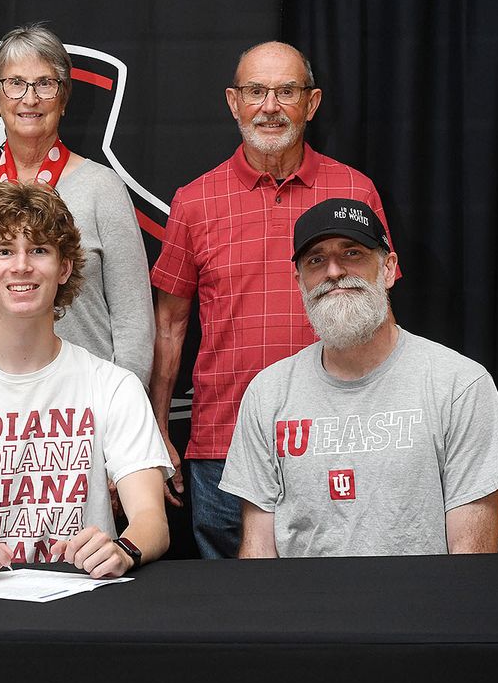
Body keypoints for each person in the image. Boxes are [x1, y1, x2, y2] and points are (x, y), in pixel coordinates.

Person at [150, 41, 397, 558]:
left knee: (343, 596)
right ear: (233, 102)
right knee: (233, 615)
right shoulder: (194, 201)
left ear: (312, 103)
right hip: (225, 442)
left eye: (287, 91)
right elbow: (170, 324)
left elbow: (382, 312)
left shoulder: (355, 190)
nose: (270, 106)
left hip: (340, 435)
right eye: (256, 91)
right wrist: (157, 429)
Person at [0, 181, 171, 581]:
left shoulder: (114, 386)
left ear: (65, 267)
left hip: (83, 596)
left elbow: (150, 520)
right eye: (4, 251)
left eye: (39, 250)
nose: (21, 266)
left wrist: (122, 551)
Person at [222, 198, 498, 556]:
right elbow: (257, 548)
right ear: (300, 281)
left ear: (388, 269)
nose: (333, 271)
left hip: (422, 607)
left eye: (352, 253)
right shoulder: (267, 393)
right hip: (304, 608)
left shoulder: (459, 384)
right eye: (316, 260)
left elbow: (473, 560)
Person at [0, 24, 154, 387]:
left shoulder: (102, 189)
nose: (29, 99)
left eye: (45, 83)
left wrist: (118, 408)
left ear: (64, 98)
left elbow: (134, 324)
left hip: (79, 407)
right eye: (15, 84)